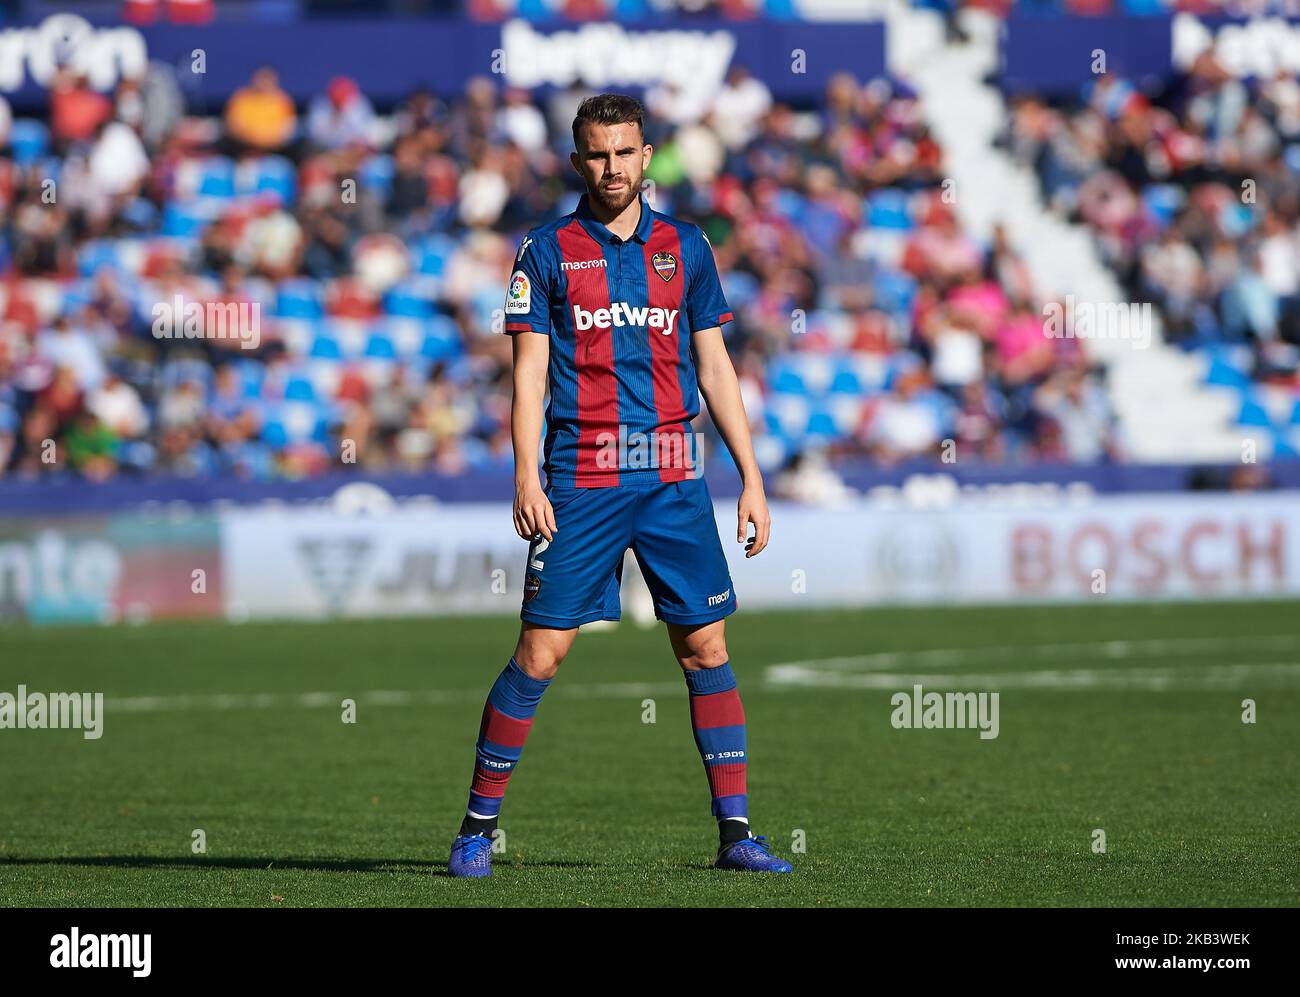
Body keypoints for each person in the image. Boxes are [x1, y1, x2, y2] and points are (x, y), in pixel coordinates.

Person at [446, 93, 789, 877]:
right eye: (598, 154)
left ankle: (735, 832)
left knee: (706, 647)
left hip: (673, 474)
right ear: (577, 161)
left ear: (646, 155)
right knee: (540, 653)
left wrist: (752, 478)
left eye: (625, 152)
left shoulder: (687, 247)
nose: (612, 167)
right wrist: (526, 474)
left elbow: (716, 368)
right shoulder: (545, 249)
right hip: (580, 477)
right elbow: (527, 377)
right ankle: (475, 828)